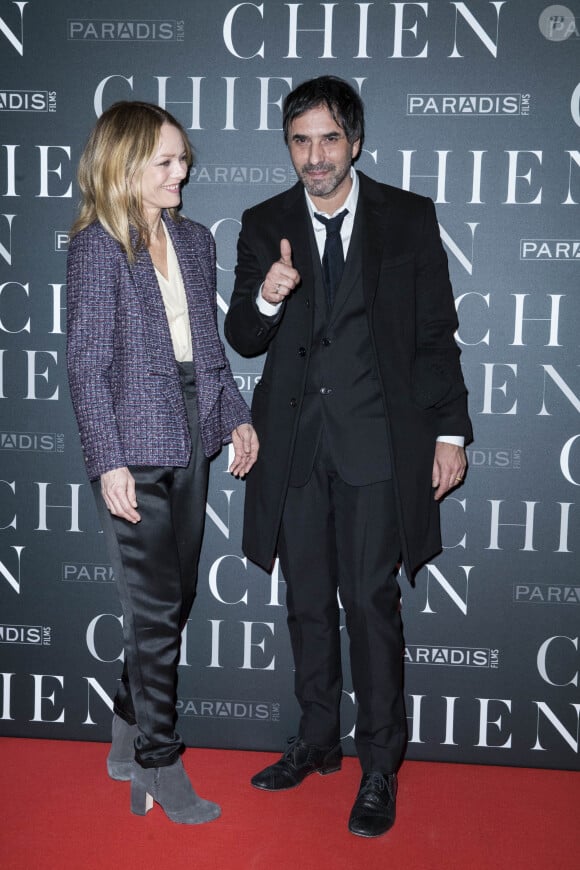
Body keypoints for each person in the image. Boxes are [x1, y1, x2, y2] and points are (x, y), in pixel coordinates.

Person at [225, 76, 472, 838]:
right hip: (296, 451)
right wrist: (267, 295)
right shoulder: (266, 222)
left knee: (370, 607)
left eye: (329, 139)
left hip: (376, 450)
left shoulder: (406, 218)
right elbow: (241, 336)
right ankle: (316, 740)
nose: (315, 156)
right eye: (300, 140)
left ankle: (378, 766)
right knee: (306, 605)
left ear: (355, 143)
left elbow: (435, 334)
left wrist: (450, 432)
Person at [67, 101, 258, 825]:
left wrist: (235, 415)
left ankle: (124, 731)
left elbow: (206, 345)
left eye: (183, 159)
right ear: (126, 165)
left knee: (172, 604)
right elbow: (85, 367)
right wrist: (107, 460)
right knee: (152, 611)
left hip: (189, 426)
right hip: (130, 441)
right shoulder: (96, 247)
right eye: (167, 162)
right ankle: (157, 760)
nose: (183, 172)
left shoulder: (197, 241)